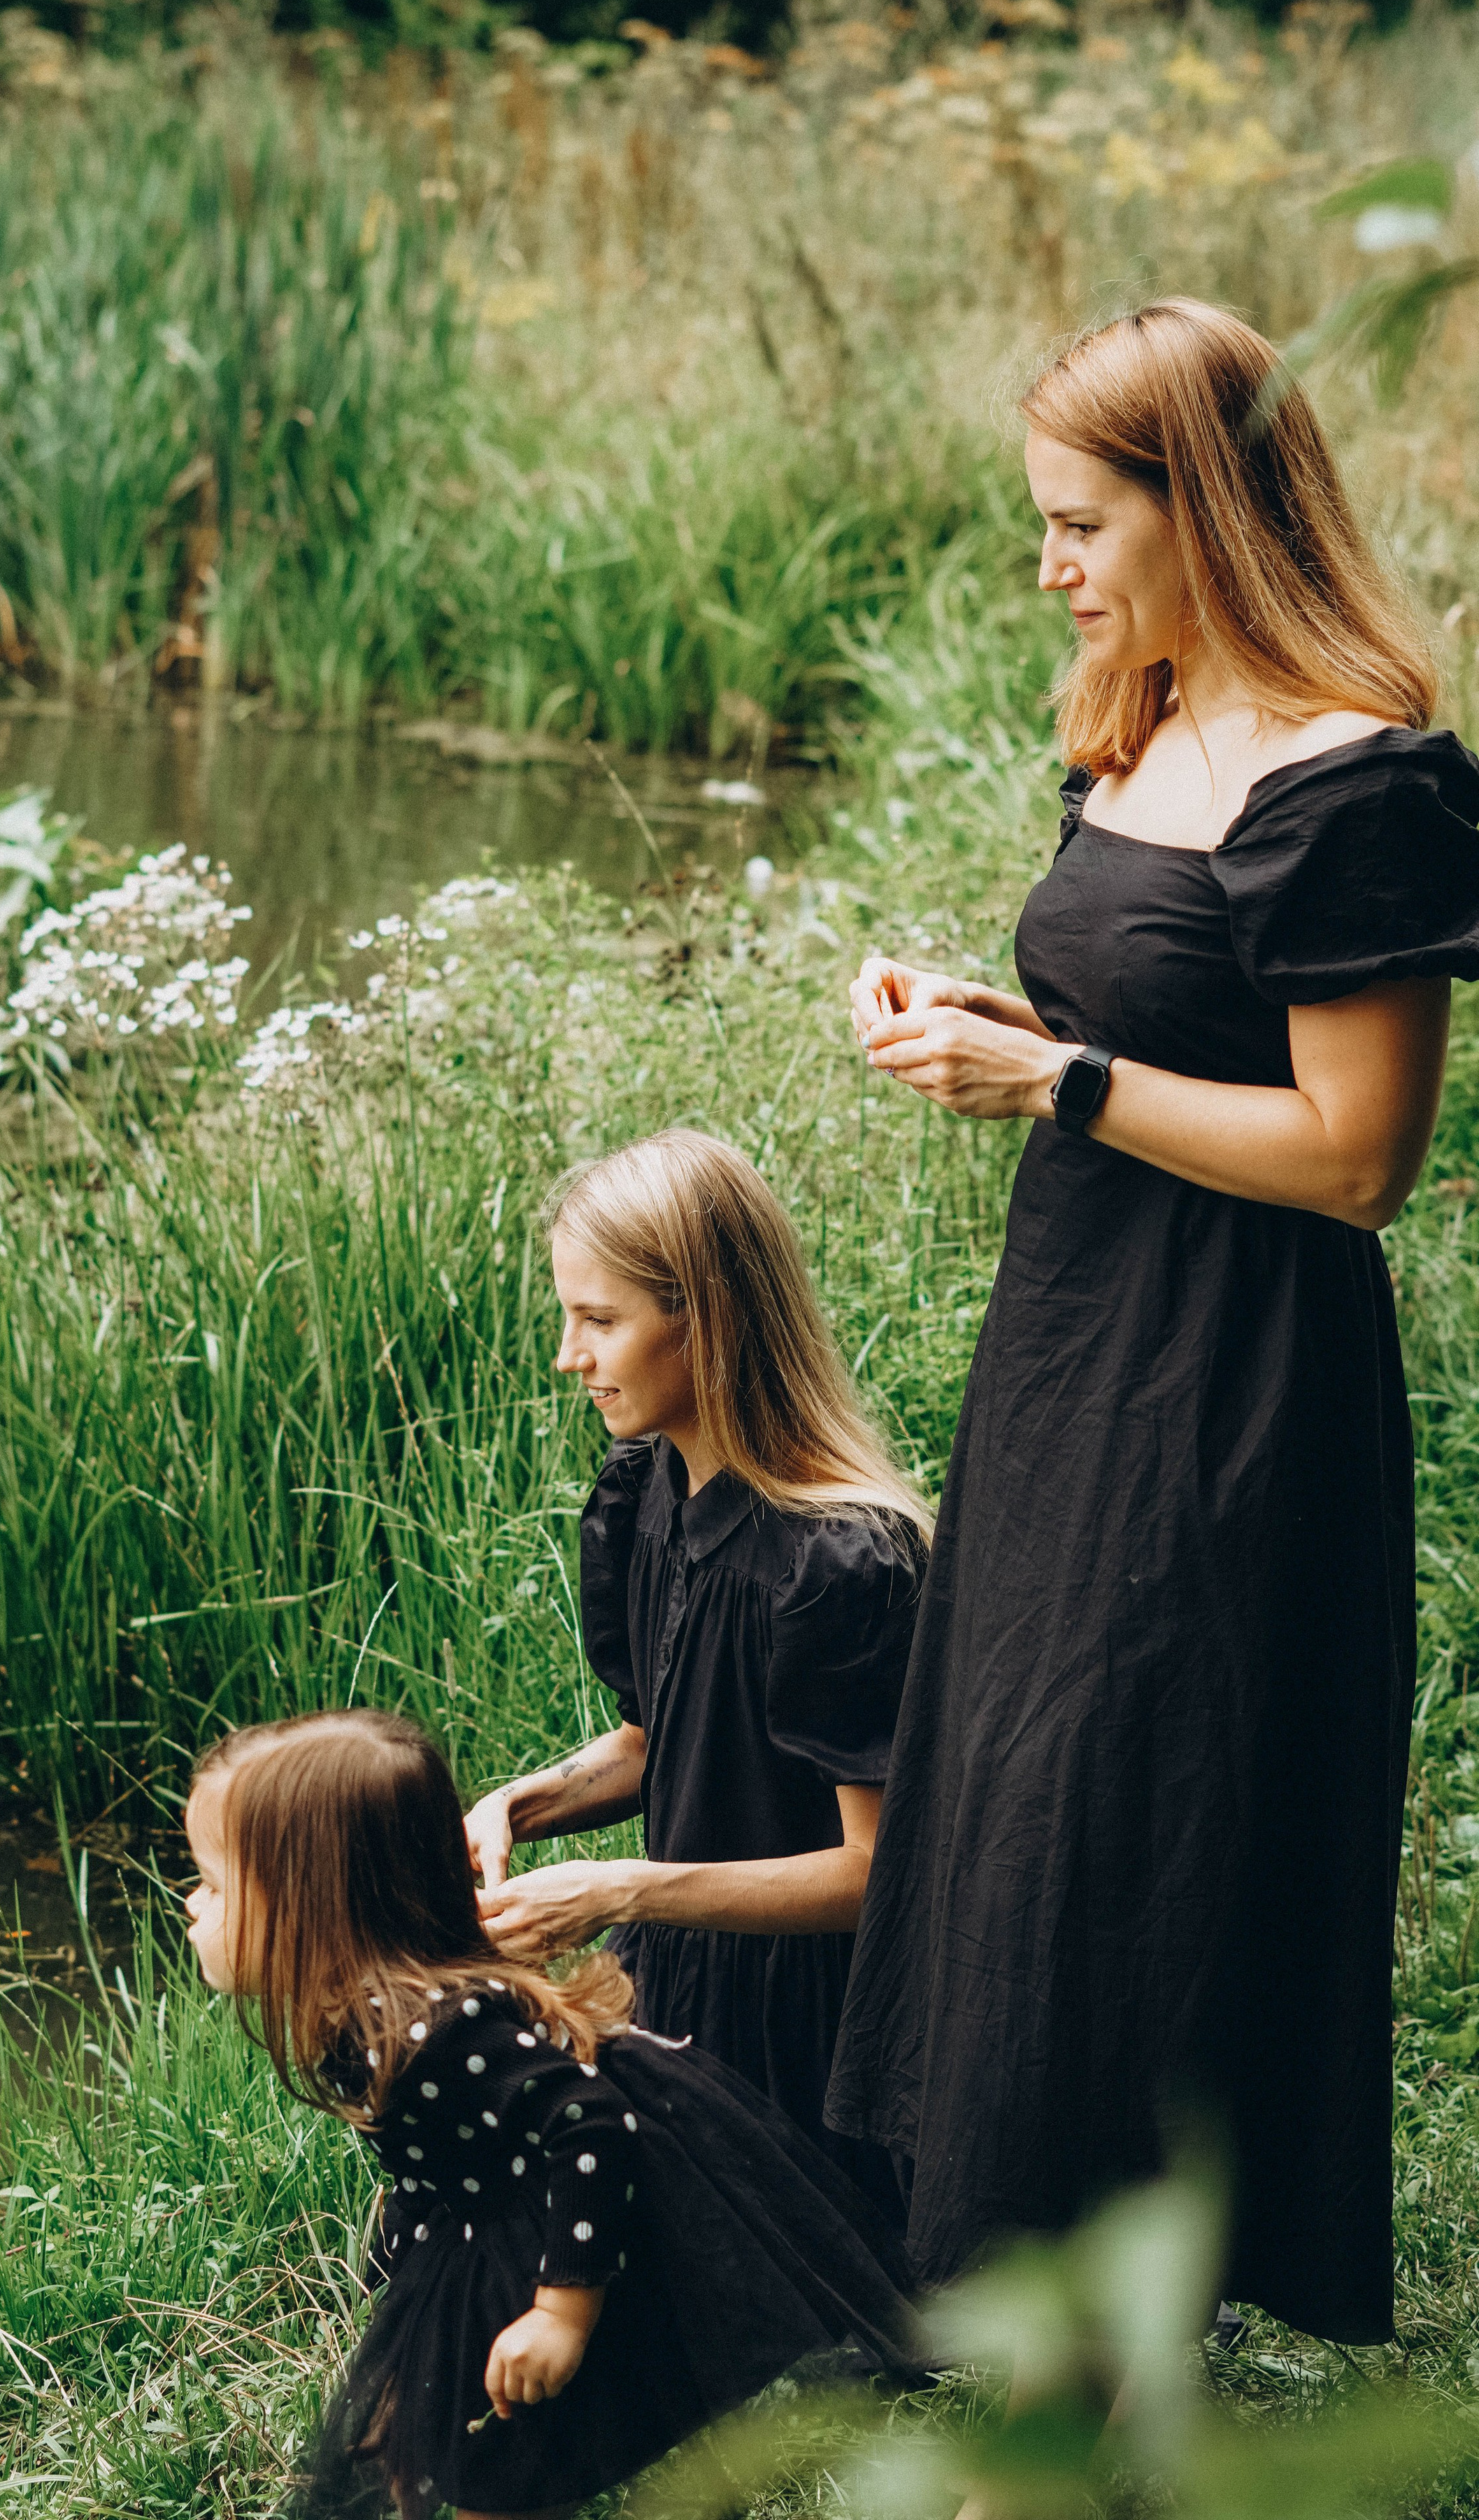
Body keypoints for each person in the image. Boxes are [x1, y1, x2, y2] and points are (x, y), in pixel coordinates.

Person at [826, 295, 1479, 2346]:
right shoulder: (1145, 722)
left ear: (1201, 503)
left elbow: (1356, 1157)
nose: (1051, 566)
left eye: (1076, 521)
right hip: (1068, 1351)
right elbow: (1153, 1028)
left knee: (1123, 1862)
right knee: (1015, 1834)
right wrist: (1009, 1030)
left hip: (1230, 1389)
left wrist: (1064, 1084)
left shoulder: (1348, 773)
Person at [183, 1710, 922, 2520]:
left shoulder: (436, 2032)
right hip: (482, 2226)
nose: (192, 1904)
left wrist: (561, 2313)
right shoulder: (364, 2014)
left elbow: (589, 2126)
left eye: (215, 1886)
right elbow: (438, 2150)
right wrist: (403, 2247)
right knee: (429, 2450)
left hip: (557, 2238)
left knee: (499, 2481)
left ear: (310, 1903)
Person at [463, 1128, 928, 2169]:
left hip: (809, 2037)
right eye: (566, 1316)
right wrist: (514, 1808)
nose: (567, 1356)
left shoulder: (839, 1561)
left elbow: (875, 1874)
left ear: (704, 1323)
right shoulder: (648, 1491)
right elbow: (655, 1743)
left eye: (600, 1321)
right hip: (676, 1977)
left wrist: (620, 1889)